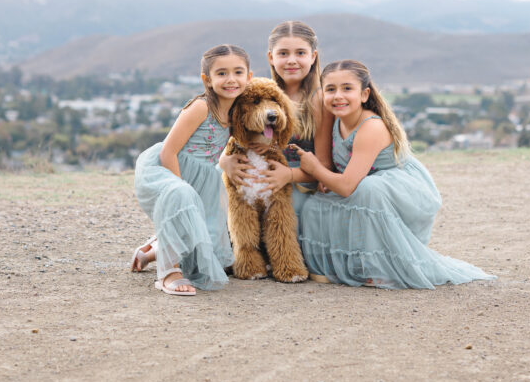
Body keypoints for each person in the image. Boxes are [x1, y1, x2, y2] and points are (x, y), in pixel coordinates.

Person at [291, 59, 495, 289]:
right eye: (330, 89)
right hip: (360, 183)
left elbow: (347, 186)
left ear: (365, 94)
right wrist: (326, 177)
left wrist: (315, 169)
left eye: (347, 88)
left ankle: (377, 267)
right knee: (313, 204)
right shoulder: (335, 120)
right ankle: (337, 263)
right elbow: (341, 172)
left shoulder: (371, 127)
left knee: (367, 190)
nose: (338, 95)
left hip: (398, 190)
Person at [132, 44, 252, 296]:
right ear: (206, 80)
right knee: (183, 201)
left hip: (205, 178)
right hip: (168, 169)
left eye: (238, 72)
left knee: (201, 240)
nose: (231, 79)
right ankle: (168, 273)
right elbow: (168, 152)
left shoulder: (237, 111)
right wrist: (181, 187)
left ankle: (149, 252)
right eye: (221, 74)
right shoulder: (201, 107)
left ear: (249, 77)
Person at [220, 21, 332, 219]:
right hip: (259, 170)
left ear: (313, 57)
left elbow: (324, 164)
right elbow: (234, 137)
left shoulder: (318, 100)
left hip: (299, 181)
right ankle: (173, 240)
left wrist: (288, 175)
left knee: (278, 210)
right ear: (271, 57)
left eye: (300, 53)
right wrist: (224, 161)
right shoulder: (260, 93)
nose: (291, 60)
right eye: (283, 54)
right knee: (217, 195)